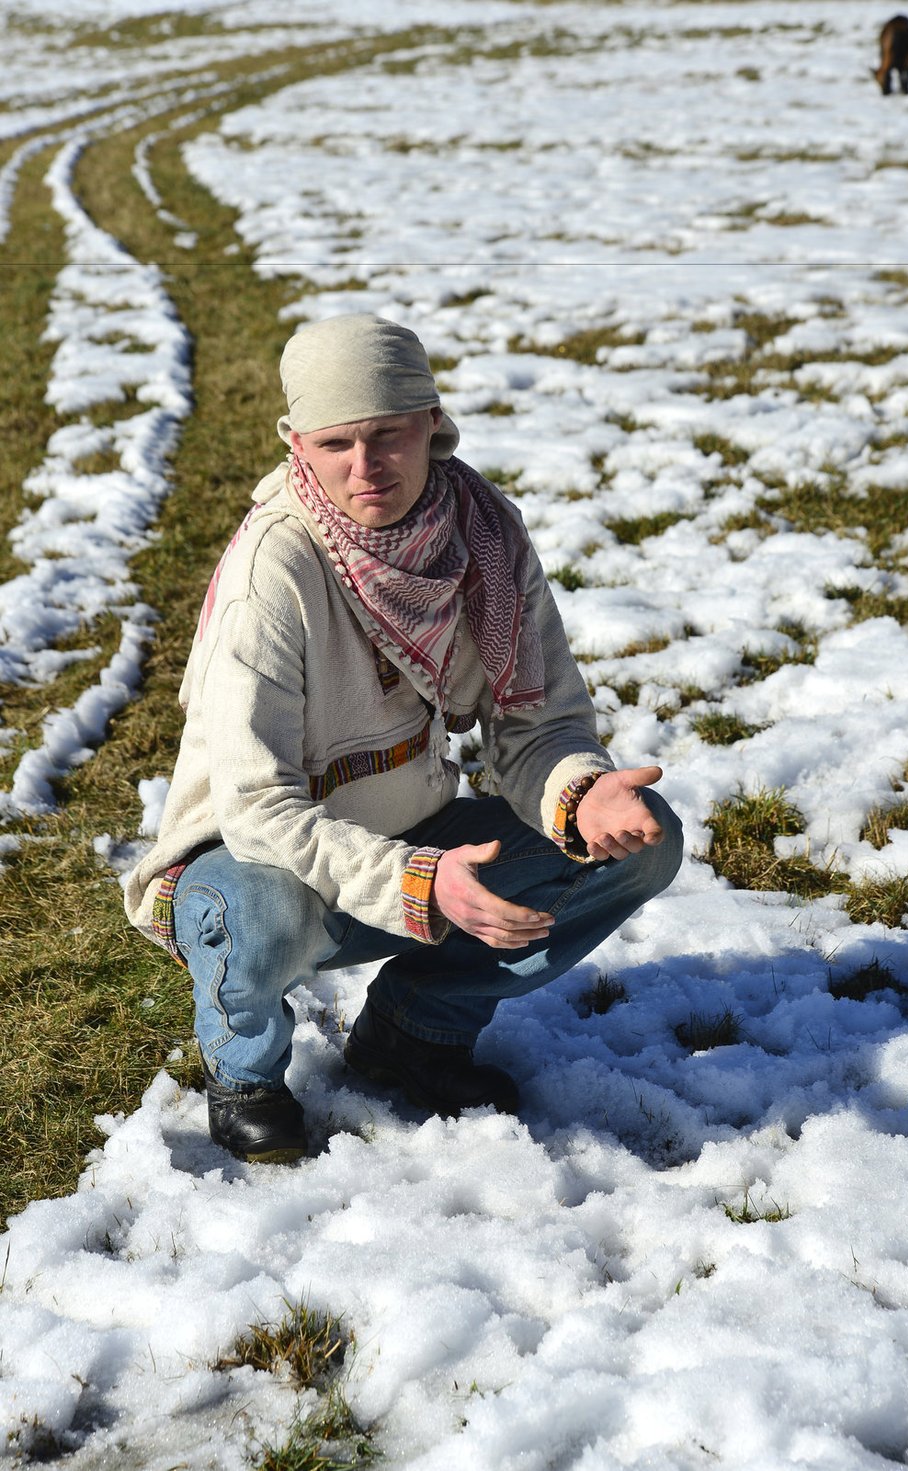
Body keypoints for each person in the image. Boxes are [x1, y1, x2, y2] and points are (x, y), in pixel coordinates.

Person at [124, 314, 683, 1164]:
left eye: (387, 434)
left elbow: (536, 725)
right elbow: (257, 809)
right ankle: (246, 1074)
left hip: (413, 840)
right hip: (258, 866)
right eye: (336, 442)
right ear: (296, 443)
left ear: (432, 420)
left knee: (640, 843)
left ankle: (413, 1033)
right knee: (262, 911)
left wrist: (580, 790)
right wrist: (415, 883)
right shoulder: (272, 573)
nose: (364, 465)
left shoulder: (483, 538)